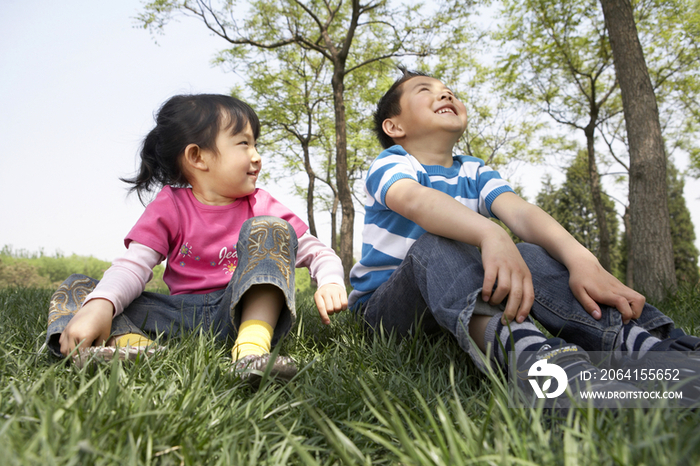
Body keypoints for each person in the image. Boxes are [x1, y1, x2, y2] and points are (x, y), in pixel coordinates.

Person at [349, 68, 700, 407]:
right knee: (434, 241)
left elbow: (521, 213)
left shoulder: (473, 169)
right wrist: (488, 232)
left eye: (448, 89)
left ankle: (641, 347)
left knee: (531, 252)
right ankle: (539, 366)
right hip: (387, 313)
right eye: (424, 89)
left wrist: (581, 259)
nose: (444, 92)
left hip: (455, 299)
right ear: (394, 127)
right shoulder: (392, 162)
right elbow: (416, 201)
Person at [47, 94, 348, 384]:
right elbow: (133, 266)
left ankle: (252, 351)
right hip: (178, 316)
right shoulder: (170, 206)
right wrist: (100, 305)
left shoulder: (262, 205)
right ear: (197, 157)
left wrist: (331, 280)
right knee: (81, 288)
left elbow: (317, 252)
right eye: (244, 143)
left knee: (270, 228)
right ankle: (135, 348)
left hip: (241, 310)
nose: (257, 156)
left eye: (255, 144)